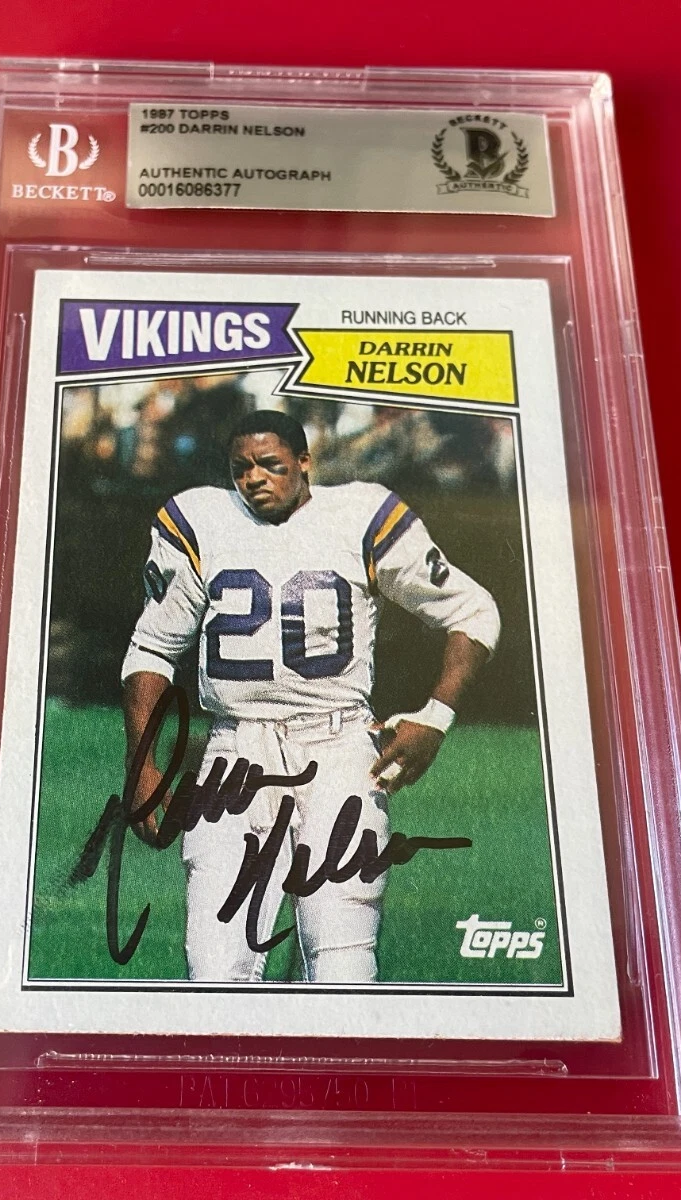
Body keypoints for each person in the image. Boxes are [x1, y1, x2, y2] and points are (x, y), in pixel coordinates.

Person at [120, 408, 500, 983]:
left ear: (304, 462)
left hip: (338, 746)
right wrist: (141, 766)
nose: (254, 478)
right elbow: (151, 648)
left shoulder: (360, 515)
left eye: (270, 464)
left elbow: (473, 611)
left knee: (342, 963)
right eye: (241, 468)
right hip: (235, 751)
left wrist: (436, 717)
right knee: (215, 969)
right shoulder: (200, 520)